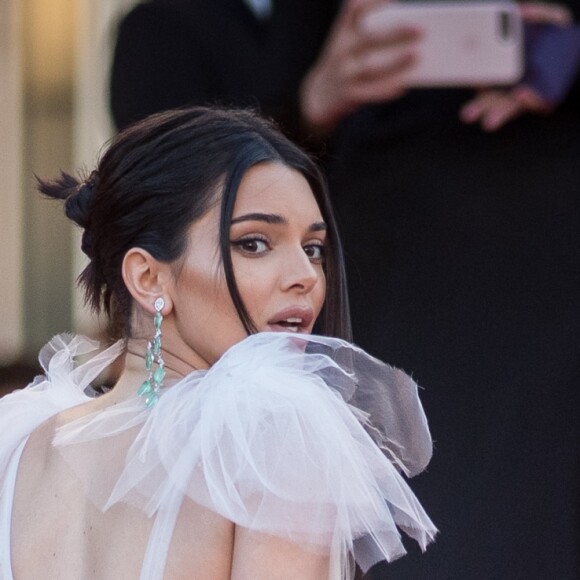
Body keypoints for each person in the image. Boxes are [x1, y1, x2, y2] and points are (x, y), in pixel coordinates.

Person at [110, 3, 580, 579]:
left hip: (538, 278)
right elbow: (168, 191)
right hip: (383, 282)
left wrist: (565, 49)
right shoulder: (191, 33)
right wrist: (311, 103)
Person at [0, 106, 437, 580]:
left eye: (313, 249)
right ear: (148, 277)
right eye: (253, 243)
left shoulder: (20, 447)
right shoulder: (272, 441)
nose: (304, 277)